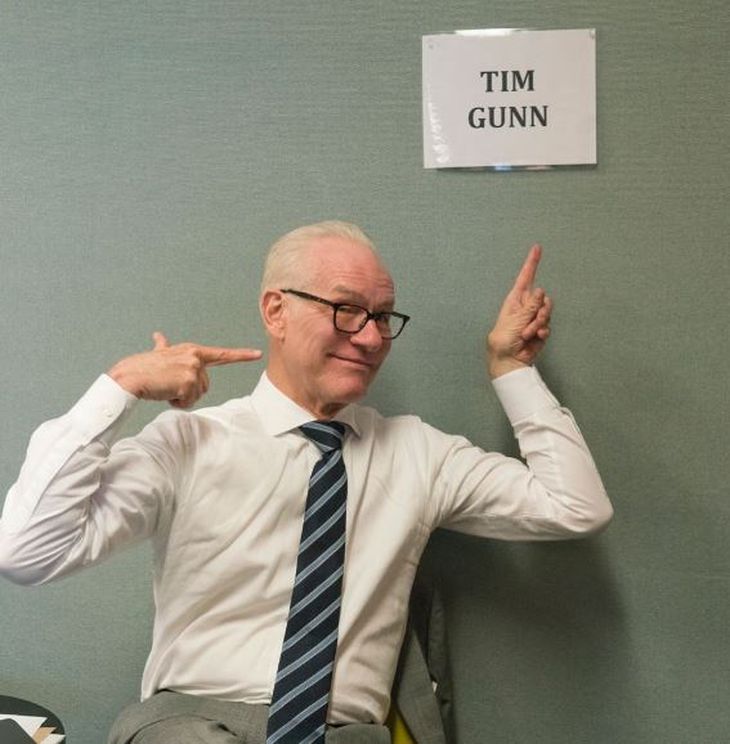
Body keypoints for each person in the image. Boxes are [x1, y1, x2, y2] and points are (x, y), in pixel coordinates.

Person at [0, 221, 612, 743]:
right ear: (277, 311)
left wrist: (512, 369)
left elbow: (574, 506)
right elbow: (26, 553)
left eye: (381, 317)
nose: (370, 337)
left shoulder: (419, 453)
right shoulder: (189, 441)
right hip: (196, 726)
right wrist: (123, 386)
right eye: (346, 310)